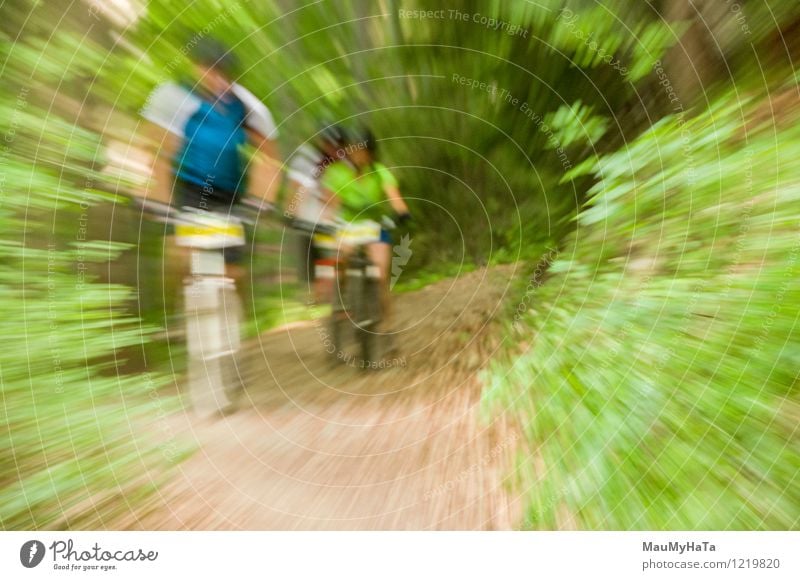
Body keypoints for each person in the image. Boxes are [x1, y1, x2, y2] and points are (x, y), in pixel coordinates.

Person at [141, 37, 281, 286]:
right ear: (196, 67)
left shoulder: (247, 107)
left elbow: (270, 159)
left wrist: (259, 203)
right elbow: (159, 153)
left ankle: (234, 319)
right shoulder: (174, 97)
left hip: (230, 196)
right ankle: (185, 312)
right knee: (179, 257)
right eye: (209, 68)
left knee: (233, 274)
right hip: (189, 190)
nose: (217, 78)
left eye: (223, 73)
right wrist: (160, 204)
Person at [321, 128, 411, 331]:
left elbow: (393, 195)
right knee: (341, 256)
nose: (357, 155)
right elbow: (331, 202)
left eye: (363, 151)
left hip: (374, 226)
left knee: (380, 274)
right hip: (348, 225)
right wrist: (328, 221)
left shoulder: (380, 172)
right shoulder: (338, 172)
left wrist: (402, 212)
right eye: (355, 150)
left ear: (371, 153)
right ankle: (342, 299)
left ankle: (388, 328)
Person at [284, 124, 348, 298]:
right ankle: (324, 300)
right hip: (309, 219)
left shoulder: (346, 163)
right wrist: (291, 212)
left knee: (336, 264)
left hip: (335, 221)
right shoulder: (306, 159)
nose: (333, 148)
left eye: (338, 145)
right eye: (329, 143)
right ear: (322, 142)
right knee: (315, 275)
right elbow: (297, 188)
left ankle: (341, 297)